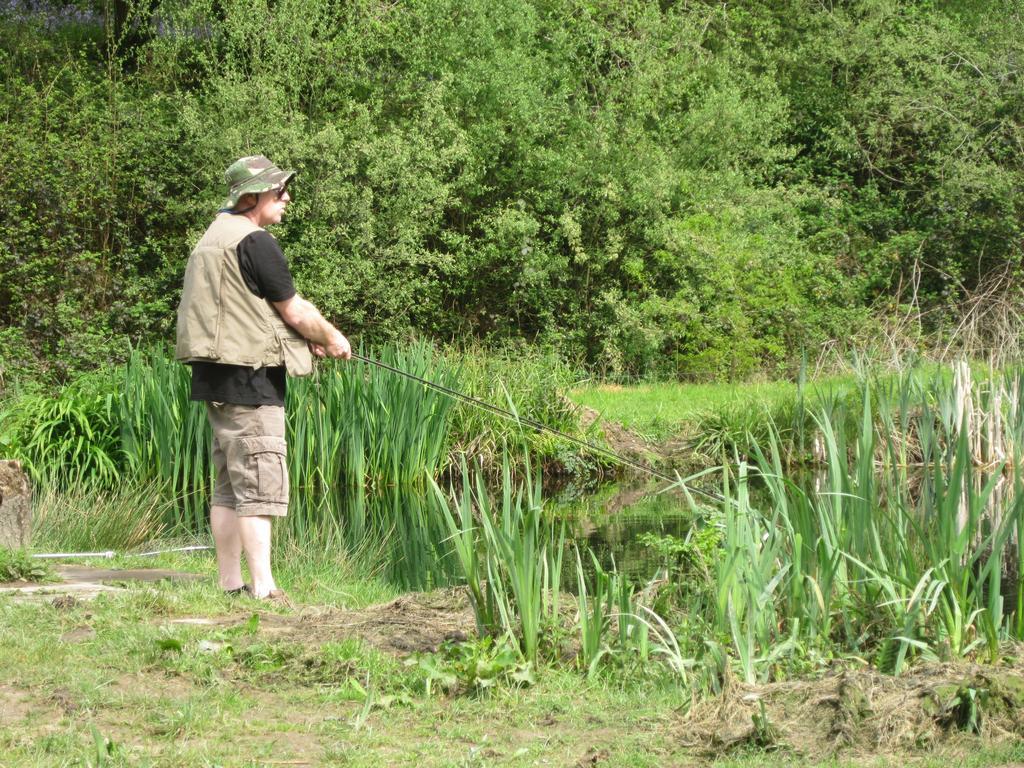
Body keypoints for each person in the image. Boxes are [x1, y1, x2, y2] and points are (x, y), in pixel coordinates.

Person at [175, 155, 351, 601]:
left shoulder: (211, 238)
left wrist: (297, 338)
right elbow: (291, 307)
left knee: (229, 486)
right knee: (258, 481)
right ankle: (264, 588)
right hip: (251, 381)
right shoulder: (256, 240)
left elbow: (243, 308)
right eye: (278, 191)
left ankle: (230, 582)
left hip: (216, 379)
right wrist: (331, 338)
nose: (286, 197)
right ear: (250, 197)